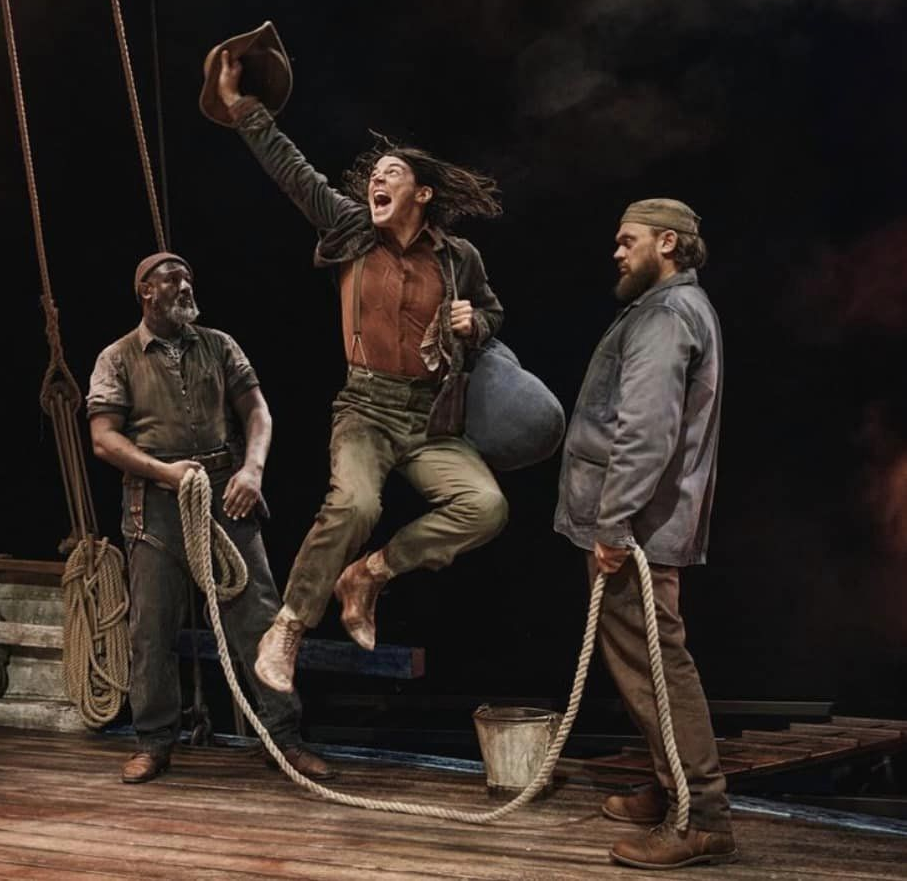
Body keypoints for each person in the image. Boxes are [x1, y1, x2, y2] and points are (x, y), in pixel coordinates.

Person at [210, 44, 509, 696]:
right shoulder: (349, 230)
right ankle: (290, 625)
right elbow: (292, 170)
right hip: (367, 409)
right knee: (353, 504)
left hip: (430, 418)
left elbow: (490, 309)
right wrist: (241, 107)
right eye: (375, 173)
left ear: (421, 193)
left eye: (393, 172)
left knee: (485, 507)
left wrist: (475, 323)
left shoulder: (458, 257)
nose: (378, 178)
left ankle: (368, 576)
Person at [87, 252, 333, 784]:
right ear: (145, 291)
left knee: (260, 618)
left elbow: (258, 412)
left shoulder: (219, 345)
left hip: (226, 495)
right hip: (156, 501)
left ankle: (283, 738)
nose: (184, 286)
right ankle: (154, 742)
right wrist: (166, 472)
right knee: (151, 628)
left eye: (188, 278)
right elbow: (103, 438)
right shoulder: (118, 357)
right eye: (171, 279)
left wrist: (252, 471)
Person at [554, 200, 737, 869]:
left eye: (626, 240)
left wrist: (613, 521)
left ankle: (702, 817)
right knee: (641, 665)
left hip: (637, 529)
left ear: (666, 243)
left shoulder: (666, 315)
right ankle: (673, 789)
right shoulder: (666, 308)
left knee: (658, 666)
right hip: (639, 524)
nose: (616, 251)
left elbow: (646, 430)